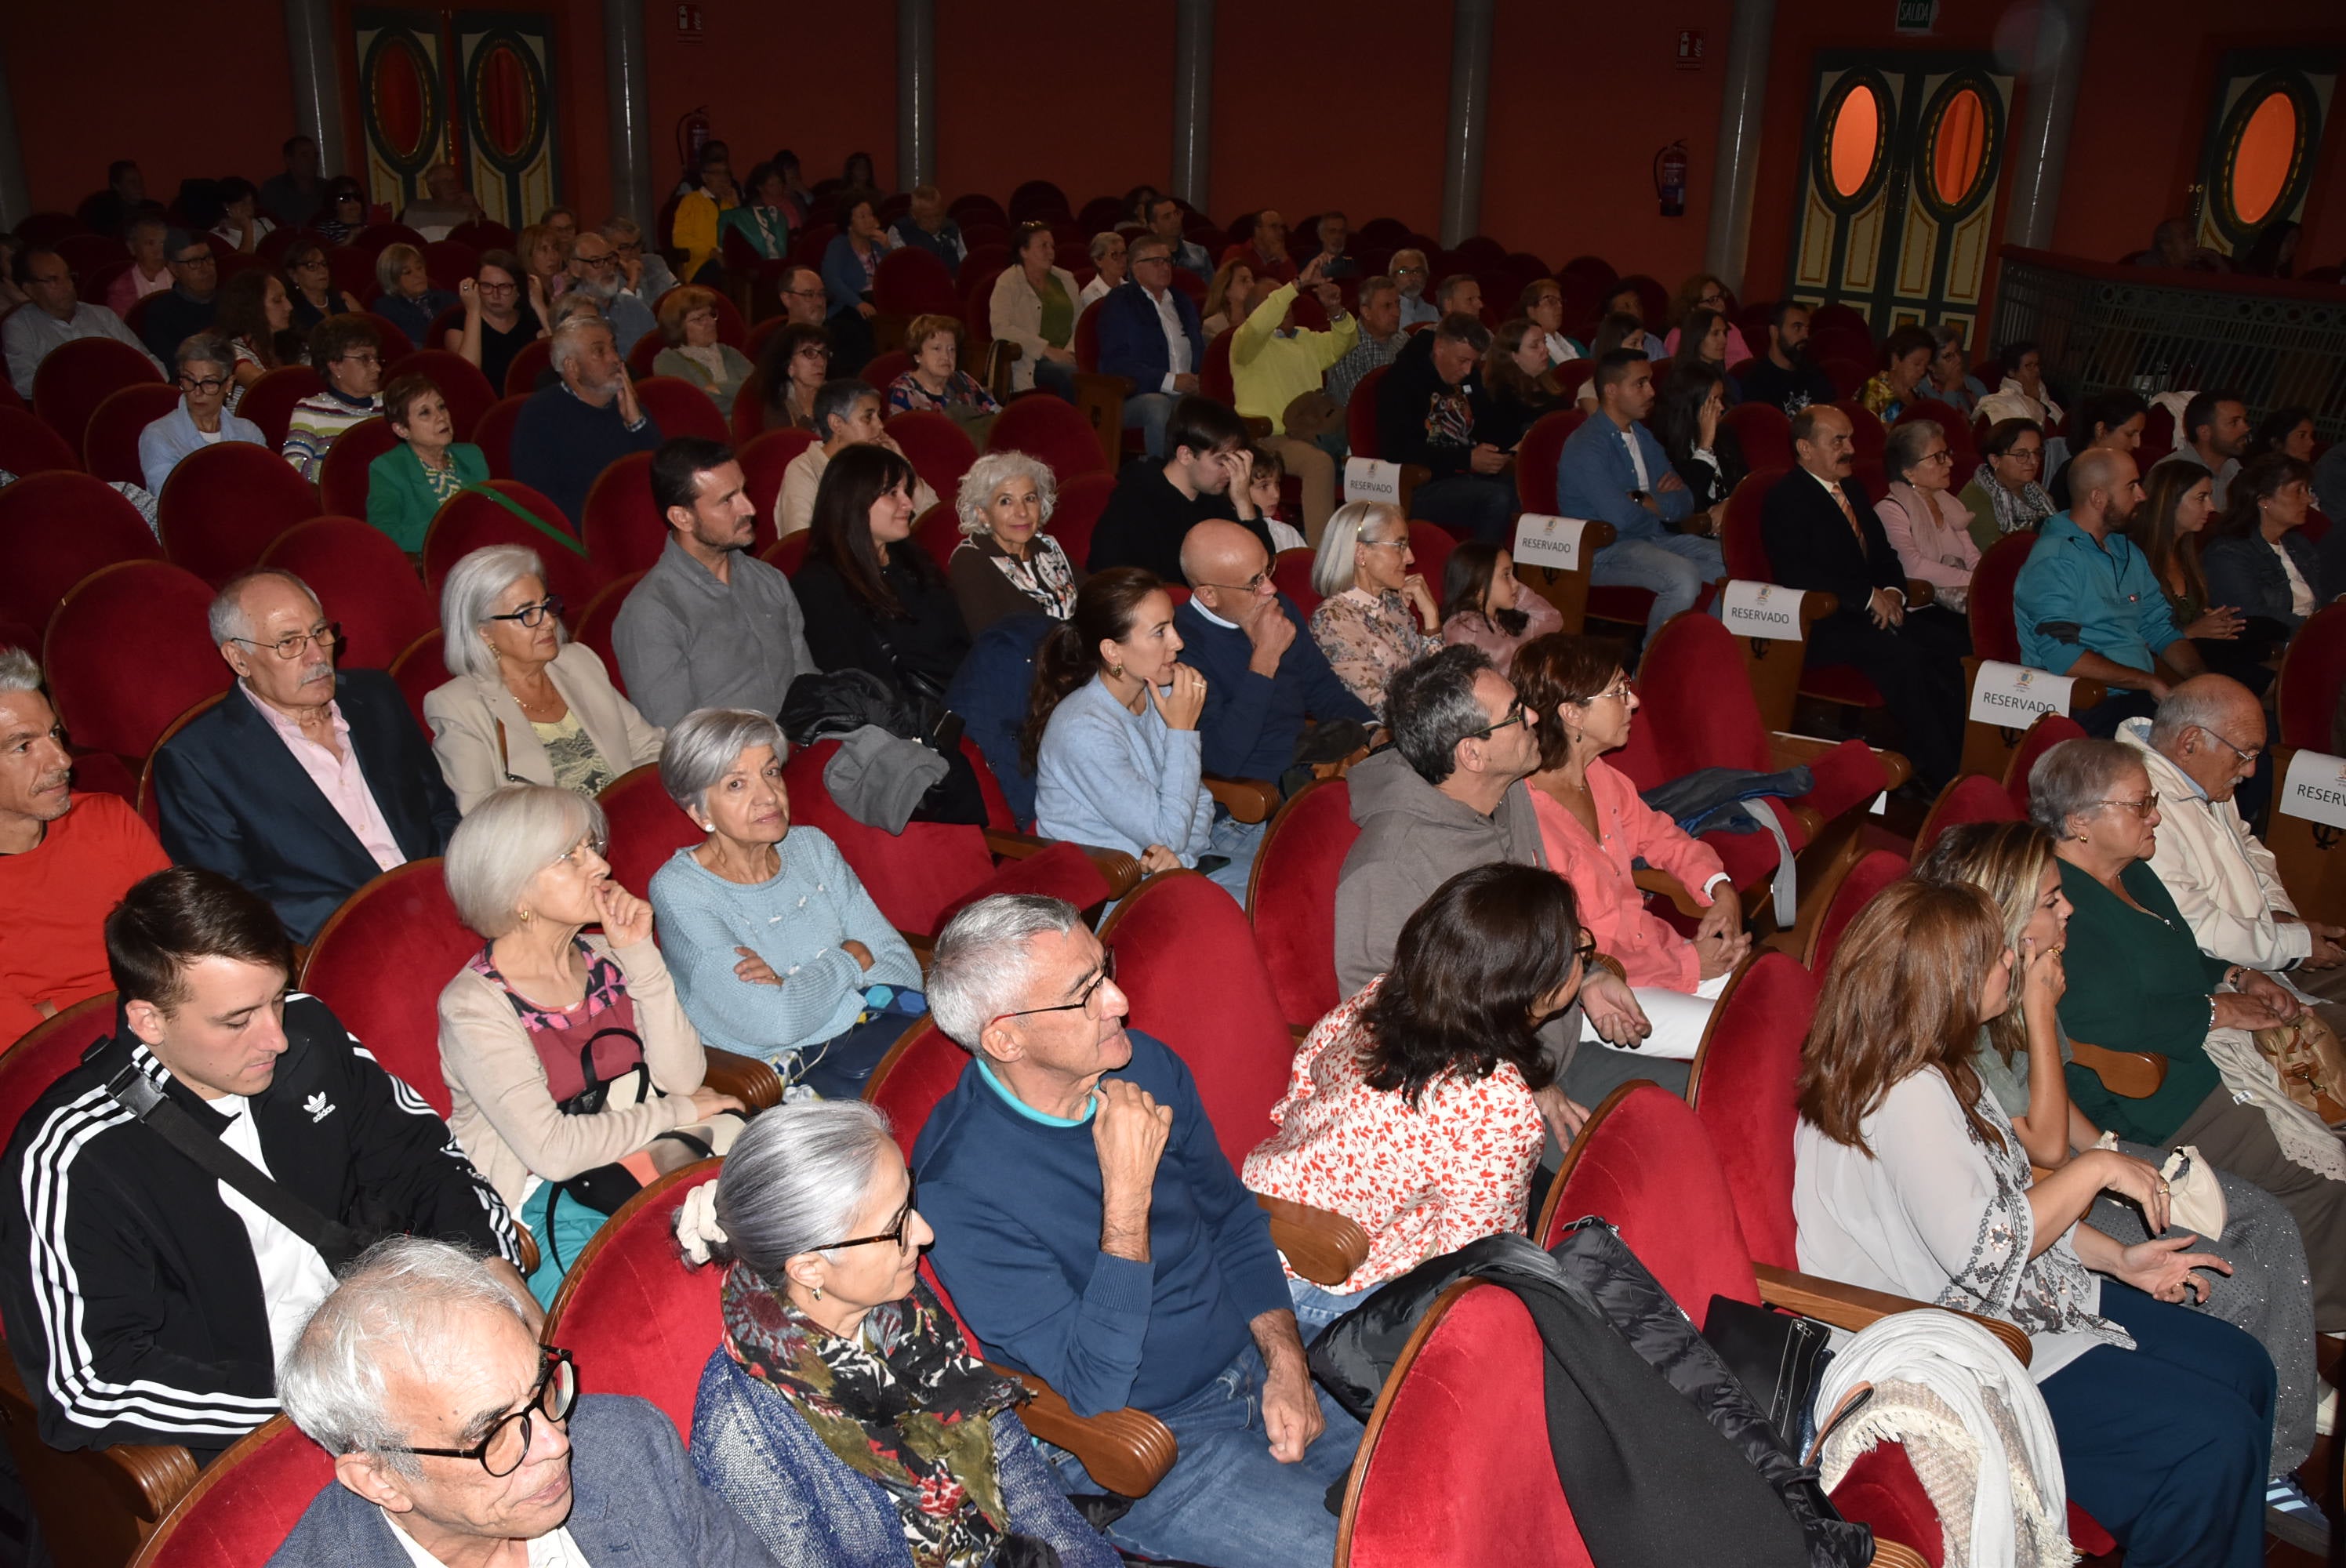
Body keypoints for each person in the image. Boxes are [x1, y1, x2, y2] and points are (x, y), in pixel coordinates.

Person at [1793, 877, 2275, 1568]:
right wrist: (2095, 1172)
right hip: (1952, 1340)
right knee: (2214, 1440)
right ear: (1949, 980)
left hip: (2012, 1303)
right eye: (1997, 956)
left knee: (2243, 1367)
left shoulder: (1937, 1062)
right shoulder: (1901, 1093)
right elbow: (1986, 1251)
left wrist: (2118, 1258)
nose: (2012, 963)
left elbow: (2011, 1195)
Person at [0, 868, 526, 1459]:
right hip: (260, 1416)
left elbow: (420, 1157)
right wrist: (322, 1406)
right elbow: (90, 1385)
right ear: (149, 1021)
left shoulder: (309, 1031)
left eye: (275, 998)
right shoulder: (73, 1157)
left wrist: (485, 1259)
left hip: (384, 1345)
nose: (275, 1038)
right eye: (237, 1020)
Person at [913, 895, 1364, 1568]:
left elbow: (1234, 1220)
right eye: (1084, 993)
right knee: (1369, 1551)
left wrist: (1286, 1362)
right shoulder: (958, 1188)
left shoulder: (1140, 1063)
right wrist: (1126, 1192)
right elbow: (1094, 1388)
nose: (1119, 1000)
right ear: (1006, 1038)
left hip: (1252, 1354)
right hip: (1151, 1441)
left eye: (1105, 970)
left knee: (1440, 1469)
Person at [1914, 818, 2326, 1497]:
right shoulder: (1984, 1000)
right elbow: (2041, 1147)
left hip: (2072, 1165)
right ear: (2010, 915)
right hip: (2037, 1186)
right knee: (2234, 1279)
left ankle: (2280, 1423)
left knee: (2267, 1217)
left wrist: (2114, 1153)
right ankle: (2266, 1464)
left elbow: (2070, 1127)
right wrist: (2043, 1013)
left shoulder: (2030, 971)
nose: (2068, 906)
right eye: (2050, 899)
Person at [677, 1105, 1120, 1568]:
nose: (924, 1235)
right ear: (810, 1269)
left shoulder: (895, 1303)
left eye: (910, 1203)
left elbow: (1017, 1478)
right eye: (896, 1226)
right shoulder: (744, 1437)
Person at [2030, 737, 2346, 1329]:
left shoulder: (2135, 873)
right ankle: (2322, 1321)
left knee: (2328, 1115)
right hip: (2154, 1095)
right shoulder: (2061, 904)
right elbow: (2096, 1022)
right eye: (2140, 804)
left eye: (2152, 800)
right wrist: (2217, 1013)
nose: (2155, 815)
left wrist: (2236, 974)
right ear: (2080, 822)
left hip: (2201, 1057)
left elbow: (2180, 956)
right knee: (2317, 1182)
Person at [272, 1236, 779, 1567]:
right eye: (491, 1432)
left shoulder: (628, 1447)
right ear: (380, 1479)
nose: (557, 1442)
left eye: (541, 1389)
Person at [1247, 862, 1590, 1331]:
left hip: (1261, 1217)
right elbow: (1471, 1269)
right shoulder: (1497, 1106)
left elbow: (1303, 1080)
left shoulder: (1385, 995)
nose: (1584, 956)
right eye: (1578, 949)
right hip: (1326, 1280)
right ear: (1532, 987)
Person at [438, 784, 734, 1300]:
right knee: (665, 1299)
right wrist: (681, 1110)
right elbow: (552, 1152)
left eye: (592, 849)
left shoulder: (607, 954)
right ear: (515, 889)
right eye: (569, 857)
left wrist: (639, 952)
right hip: (546, 1201)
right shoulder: (472, 1006)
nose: (600, 868)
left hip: (649, 1160)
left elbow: (682, 1075)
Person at [1335, 644, 1654, 1099]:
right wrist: (1518, 1083)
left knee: (1706, 1097)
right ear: (1473, 755)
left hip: (1555, 1053)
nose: (1536, 717)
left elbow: (1529, 941)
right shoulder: (1389, 867)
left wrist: (1588, 976)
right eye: (1515, 714)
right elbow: (1385, 1029)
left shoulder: (1509, 792)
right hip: (1477, 1100)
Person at [155, 570, 460, 943]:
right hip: (342, 943)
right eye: (289, 643)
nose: (317, 655)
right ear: (239, 658)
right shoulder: (198, 762)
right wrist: (375, 917)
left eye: (320, 632)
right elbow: (231, 901)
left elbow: (440, 809)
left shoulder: (376, 697)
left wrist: (454, 881)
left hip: (450, 903)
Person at [647, 709, 922, 1096]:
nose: (768, 796)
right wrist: (850, 957)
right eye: (737, 784)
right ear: (698, 810)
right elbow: (777, 1022)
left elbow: (902, 968)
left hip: (878, 1029)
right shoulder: (681, 891)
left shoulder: (812, 847)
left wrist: (792, 986)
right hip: (790, 1072)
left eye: (771, 772)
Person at [1513, 633, 1748, 1061]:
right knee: (1739, 1039)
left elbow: (1665, 838)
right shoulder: (1524, 813)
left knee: (1778, 1004)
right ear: (1572, 714)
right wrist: (1692, 964)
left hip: (1659, 956)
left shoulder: (1602, 777)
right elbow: (1566, 951)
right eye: (1618, 692)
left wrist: (1721, 890)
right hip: (1594, 995)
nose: (1634, 702)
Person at [2117, 678, 2346, 1030]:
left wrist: (2279, 912)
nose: (2251, 770)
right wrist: (2294, 945)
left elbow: (2248, 846)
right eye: (2245, 754)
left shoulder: (2197, 774)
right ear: (2190, 742)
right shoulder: (2136, 805)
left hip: (2263, 944)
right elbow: (2198, 928)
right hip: (2222, 976)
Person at [1762, 405, 1968, 787]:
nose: (1851, 448)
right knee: (1905, 657)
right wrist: (1868, 596)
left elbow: (1885, 555)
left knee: (1951, 645)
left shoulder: (1853, 489)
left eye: (1851, 438)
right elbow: (1798, 574)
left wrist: (1891, 592)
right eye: (1838, 440)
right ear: (1805, 449)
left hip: (1871, 611)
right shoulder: (1787, 498)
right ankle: (1943, 777)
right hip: (1823, 621)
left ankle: (1949, 761)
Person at [1027, 569, 1262, 901]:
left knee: (1287, 887)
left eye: (1172, 626)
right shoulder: (1083, 730)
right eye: (1159, 632)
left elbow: (1200, 801)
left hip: (1169, 869)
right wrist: (1182, 731)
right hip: (1112, 891)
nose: (1178, 643)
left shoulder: (1153, 696)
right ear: (1113, 652)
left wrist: (1181, 856)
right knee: (1261, 910)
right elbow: (1168, 831)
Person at [0, 648, 170, 1045]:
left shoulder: (107, 818)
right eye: (23, 746)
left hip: (170, 1030)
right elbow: (32, 1049)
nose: (61, 760)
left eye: (54, 734)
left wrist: (58, 1007)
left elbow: (183, 948)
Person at [423, 546, 662, 813]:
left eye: (546, 605)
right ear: (484, 633)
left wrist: (643, 812)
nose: (548, 621)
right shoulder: (457, 706)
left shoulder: (578, 662)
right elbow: (482, 817)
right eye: (527, 614)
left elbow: (649, 747)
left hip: (635, 820)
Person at [614, 437, 816, 729]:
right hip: (733, 767)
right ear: (682, 517)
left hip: (806, 744)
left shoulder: (768, 580)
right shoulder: (651, 614)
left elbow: (807, 682)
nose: (749, 508)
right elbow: (681, 738)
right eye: (727, 500)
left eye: (744, 491)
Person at [2014, 447, 2207, 735]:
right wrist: (2148, 681)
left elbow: (2161, 629)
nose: (2142, 495)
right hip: (2082, 702)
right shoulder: (2054, 559)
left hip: (2134, 698)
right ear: (2098, 498)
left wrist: (2203, 681)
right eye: (2132, 486)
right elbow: (2063, 657)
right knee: (2193, 744)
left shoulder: (2126, 550)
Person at [1175, 519, 1375, 783]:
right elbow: (1220, 760)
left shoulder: (1278, 608)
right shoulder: (1180, 646)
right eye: (1254, 582)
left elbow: (1323, 691)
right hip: (1251, 802)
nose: (1271, 588)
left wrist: (1375, 732)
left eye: (1267, 569)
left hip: (1309, 770)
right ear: (1208, 595)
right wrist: (1264, 659)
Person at [1556, 348, 1723, 648]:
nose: (1651, 391)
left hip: (1652, 538)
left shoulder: (1642, 436)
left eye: (1649, 382)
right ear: (1611, 390)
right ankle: (1649, 675)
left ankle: (1696, 654)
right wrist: (1659, 504)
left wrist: (1647, 500)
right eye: (1641, 383)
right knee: (1682, 577)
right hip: (1602, 551)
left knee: (1733, 566)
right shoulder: (1586, 445)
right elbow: (1619, 519)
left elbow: (1685, 501)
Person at [795, 444, 970, 699]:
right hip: (914, 719)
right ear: (854, 500)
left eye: (906, 491)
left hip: (963, 694)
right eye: (892, 493)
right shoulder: (820, 586)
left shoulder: (911, 560)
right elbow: (854, 685)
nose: (908, 504)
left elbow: (962, 641)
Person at [1229, 259, 1352, 540]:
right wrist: (1296, 284)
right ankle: (1319, 557)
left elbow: (1343, 344)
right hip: (1268, 438)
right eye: (1275, 301)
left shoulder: (1305, 339)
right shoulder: (1246, 342)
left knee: (1367, 462)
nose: (1285, 305)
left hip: (1315, 434)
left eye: (1286, 300)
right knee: (1319, 464)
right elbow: (1259, 326)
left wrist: (1336, 312)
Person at [1087, 394, 1273, 579]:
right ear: (1186, 455)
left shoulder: (1214, 501)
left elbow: (1263, 571)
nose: (1232, 473)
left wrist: (1243, 502)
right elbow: (1112, 587)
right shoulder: (1133, 503)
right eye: (1222, 462)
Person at [1375, 313, 1519, 543]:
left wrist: (1502, 451)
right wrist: (1466, 460)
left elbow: (1487, 424)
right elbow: (1399, 449)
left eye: (1473, 362)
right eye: (1462, 361)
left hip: (1466, 475)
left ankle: (1502, 568)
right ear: (1440, 348)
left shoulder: (1469, 376)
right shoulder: (1402, 381)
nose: (1467, 370)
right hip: (1422, 484)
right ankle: (1479, 574)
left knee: (1524, 488)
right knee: (1498, 498)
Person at [510, 316, 663, 526]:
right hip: (585, 532)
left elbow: (661, 476)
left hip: (641, 521)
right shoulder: (539, 415)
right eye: (599, 351)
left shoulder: (628, 404)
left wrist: (636, 423)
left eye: (614, 347)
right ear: (572, 367)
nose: (616, 359)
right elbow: (543, 503)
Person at [1308, 500, 1440, 716]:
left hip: (1423, 725)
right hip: (1383, 741)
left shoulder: (1393, 604)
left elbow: (1435, 681)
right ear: (1361, 553)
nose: (1410, 558)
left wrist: (1431, 618)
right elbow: (1381, 711)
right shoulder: (1333, 620)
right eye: (1400, 546)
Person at [2124, 459, 2250, 684]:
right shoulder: (2132, 557)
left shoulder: (2187, 552)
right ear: (2170, 502)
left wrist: (2216, 623)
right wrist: (2190, 632)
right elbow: (2126, 639)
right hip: (2159, 670)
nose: (2211, 507)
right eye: (2201, 498)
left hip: (2198, 660)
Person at [774, 378, 936, 539]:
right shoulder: (803, 471)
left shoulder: (878, 462)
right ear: (836, 424)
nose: (880, 426)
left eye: (879, 416)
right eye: (868, 417)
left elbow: (931, 516)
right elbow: (799, 543)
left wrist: (901, 463)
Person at [1095, 235, 1205, 460]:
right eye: (1156, 262)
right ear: (1135, 268)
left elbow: (1199, 349)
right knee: (1158, 406)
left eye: (1167, 261)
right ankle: (1159, 478)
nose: (1165, 267)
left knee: (1211, 405)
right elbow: (1115, 362)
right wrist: (1170, 380)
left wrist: (1198, 379)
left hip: (1185, 393)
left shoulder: (1181, 301)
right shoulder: (1120, 302)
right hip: (1133, 397)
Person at [948, 449, 1081, 633]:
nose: (1022, 512)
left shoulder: (1047, 547)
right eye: (1005, 501)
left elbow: (1096, 599)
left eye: (1029, 498)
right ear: (982, 513)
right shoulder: (970, 561)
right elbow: (994, 641)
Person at [4, 245, 161, 399]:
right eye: (54, 280)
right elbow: (24, 384)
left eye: (68, 276)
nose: (68, 286)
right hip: (69, 408)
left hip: (123, 398)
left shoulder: (103, 315)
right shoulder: (19, 326)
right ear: (30, 289)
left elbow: (145, 359)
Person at [2201, 452, 2322, 639]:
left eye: (2308, 491)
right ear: (2264, 500)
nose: (2309, 500)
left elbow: (2324, 597)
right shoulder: (2228, 553)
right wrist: (2318, 629)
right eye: (2298, 491)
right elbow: (2251, 616)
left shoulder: (2299, 544)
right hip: (2275, 648)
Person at [365, 372, 488, 554]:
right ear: (401, 429)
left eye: (441, 407)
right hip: (437, 563)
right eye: (425, 413)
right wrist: (450, 528)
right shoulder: (388, 469)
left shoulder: (472, 456)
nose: (441, 417)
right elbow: (384, 534)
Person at [136, 333, 267, 494]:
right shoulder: (160, 435)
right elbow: (172, 502)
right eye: (190, 380)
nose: (198, 392)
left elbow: (266, 489)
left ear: (229, 384)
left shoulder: (249, 433)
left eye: (209, 382)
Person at [1876, 419, 1982, 612]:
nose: (1950, 462)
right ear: (1909, 472)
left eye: (1947, 453)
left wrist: (1988, 577)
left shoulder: (1949, 504)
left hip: (1962, 603)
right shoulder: (1890, 510)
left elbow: (1972, 556)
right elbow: (1913, 568)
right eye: (1938, 457)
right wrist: (1978, 580)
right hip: (1922, 610)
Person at [1438, 539, 1563, 675]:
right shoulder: (1463, 627)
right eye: (1506, 575)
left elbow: (1553, 620)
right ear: (1480, 582)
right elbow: (1459, 682)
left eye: (1513, 574)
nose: (1516, 583)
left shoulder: (1506, 619)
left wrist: (1516, 593)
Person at [282, 314, 384, 479]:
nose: (377, 368)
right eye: (364, 359)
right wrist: (355, 472)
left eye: (376, 358)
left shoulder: (390, 404)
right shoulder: (310, 410)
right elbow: (294, 467)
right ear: (336, 366)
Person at [990, 223, 1081, 398]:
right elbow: (1001, 328)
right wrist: (1046, 350)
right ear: (1024, 251)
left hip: (1069, 354)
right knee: (1070, 374)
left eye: (1052, 246)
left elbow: (1079, 321)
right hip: (1032, 359)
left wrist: (1071, 351)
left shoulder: (1066, 279)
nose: (1050, 252)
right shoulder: (1008, 282)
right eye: (1043, 246)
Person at [1651, 360, 1746, 521]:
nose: (1721, 407)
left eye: (1721, 398)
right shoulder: (1663, 447)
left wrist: (1730, 504)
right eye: (1713, 400)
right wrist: (1705, 446)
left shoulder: (1725, 434)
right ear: (1691, 405)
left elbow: (1745, 484)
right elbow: (1686, 503)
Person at [446, 249, 549, 393]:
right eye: (487, 286)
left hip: (529, 400)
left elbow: (560, 357)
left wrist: (539, 304)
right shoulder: (459, 323)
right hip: (482, 404)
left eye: (504, 287)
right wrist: (473, 312)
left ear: (518, 290)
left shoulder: (530, 320)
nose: (495, 295)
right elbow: (468, 375)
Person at [882, 312, 1000, 434]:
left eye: (951, 349)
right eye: (937, 349)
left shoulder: (962, 379)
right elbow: (903, 439)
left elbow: (997, 414)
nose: (946, 356)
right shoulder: (903, 391)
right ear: (917, 355)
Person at [819, 191, 895, 373]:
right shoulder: (839, 245)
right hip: (850, 305)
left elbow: (894, 277)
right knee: (862, 330)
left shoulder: (878, 244)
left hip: (879, 302)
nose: (869, 220)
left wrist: (887, 249)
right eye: (862, 216)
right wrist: (857, 302)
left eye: (870, 215)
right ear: (849, 224)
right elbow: (831, 279)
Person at [1956, 416, 2057, 550]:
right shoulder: (1975, 500)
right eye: (2022, 454)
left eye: (2037, 453)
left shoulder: (2035, 490)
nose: (2033, 461)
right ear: (1995, 460)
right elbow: (1998, 557)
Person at [652, 285, 755, 411]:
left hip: (745, 422)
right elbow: (695, 403)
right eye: (699, 319)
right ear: (678, 327)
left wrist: (718, 388)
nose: (711, 322)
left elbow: (759, 387)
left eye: (711, 315)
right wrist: (738, 392)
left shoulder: (729, 352)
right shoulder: (668, 360)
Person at [1476, 316, 1568, 452]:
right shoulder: (1497, 398)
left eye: (1544, 342)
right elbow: (1501, 452)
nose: (1546, 350)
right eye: (1534, 346)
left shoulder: (1552, 387)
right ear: (1514, 356)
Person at [2046, 388, 2148, 511]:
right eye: (2130, 434)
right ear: (2101, 430)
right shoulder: (2073, 475)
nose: (2137, 444)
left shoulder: (2131, 471)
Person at [213, 266, 299, 408]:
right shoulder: (231, 351)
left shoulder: (291, 344)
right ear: (253, 307)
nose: (289, 306)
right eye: (277, 300)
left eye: (286, 298)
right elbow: (267, 387)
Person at [1738, 299, 1839, 416]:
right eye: (1797, 327)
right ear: (1774, 332)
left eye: (1807, 329)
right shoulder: (1755, 381)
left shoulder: (1816, 376)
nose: (1805, 336)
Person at [565, 230, 657, 358]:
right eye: (596, 262)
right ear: (575, 269)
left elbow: (659, 353)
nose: (608, 268)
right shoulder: (569, 313)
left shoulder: (635, 307)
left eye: (609, 259)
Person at [1324, 274, 1407, 412]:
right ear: (1366, 312)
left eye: (1397, 304)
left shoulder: (1402, 338)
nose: (1397, 313)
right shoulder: (1347, 349)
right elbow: (1355, 408)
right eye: (1387, 306)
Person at [136, 229, 220, 361]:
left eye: (208, 258)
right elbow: (174, 367)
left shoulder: (234, 299)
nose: (206, 268)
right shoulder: (161, 314)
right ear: (174, 269)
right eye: (194, 262)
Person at [369, 243, 457, 354]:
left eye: (419, 268)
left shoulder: (448, 299)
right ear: (393, 280)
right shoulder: (386, 308)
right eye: (407, 272)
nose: (418, 275)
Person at [671, 142, 739, 284]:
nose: (723, 178)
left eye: (725, 173)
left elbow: (743, 236)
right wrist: (710, 251)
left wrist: (737, 206)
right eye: (716, 173)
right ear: (704, 177)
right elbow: (679, 237)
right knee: (714, 267)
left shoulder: (730, 205)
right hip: (700, 264)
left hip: (730, 264)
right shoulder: (691, 201)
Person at [2174, 390, 2252, 510]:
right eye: (2234, 422)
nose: (2246, 428)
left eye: (2245, 421)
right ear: (2205, 432)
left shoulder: (2235, 470)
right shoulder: (2173, 472)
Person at [758, 319, 832, 432]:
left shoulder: (837, 399)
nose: (821, 362)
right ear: (788, 365)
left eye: (823, 353)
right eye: (810, 353)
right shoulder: (778, 409)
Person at [1660, 274, 1751, 364]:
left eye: (1721, 297)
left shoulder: (1732, 329)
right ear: (1693, 307)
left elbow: (1748, 365)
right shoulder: (1679, 335)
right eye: (1712, 300)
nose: (1721, 305)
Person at [1974, 339, 2064, 430]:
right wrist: (2033, 401)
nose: (2037, 370)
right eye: (2029, 366)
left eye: (2037, 365)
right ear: (2012, 372)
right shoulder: (2002, 404)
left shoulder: (2049, 392)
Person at [717, 161, 793, 263]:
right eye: (771, 185)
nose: (777, 188)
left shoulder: (793, 202)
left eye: (779, 183)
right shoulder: (753, 210)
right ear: (760, 188)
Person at [1859, 324, 1934, 422]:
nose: (1922, 371)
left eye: (1925, 365)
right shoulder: (1874, 390)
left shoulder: (1919, 394)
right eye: (1917, 364)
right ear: (1895, 359)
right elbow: (1868, 430)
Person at [888, 182, 965, 277]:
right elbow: (903, 269)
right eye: (927, 218)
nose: (934, 222)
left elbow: (964, 262)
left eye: (938, 215)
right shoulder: (899, 231)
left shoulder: (952, 227)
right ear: (914, 214)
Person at [105, 213, 175, 318]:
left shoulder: (181, 276)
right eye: (150, 244)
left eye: (163, 243)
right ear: (132, 247)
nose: (159, 251)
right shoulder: (120, 289)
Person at [1670, 307, 1741, 405]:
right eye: (1715, 334)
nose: (1724, 340)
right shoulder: (1681, 386)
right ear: (1696, 337)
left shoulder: (1729, 382)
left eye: (1724, 333)